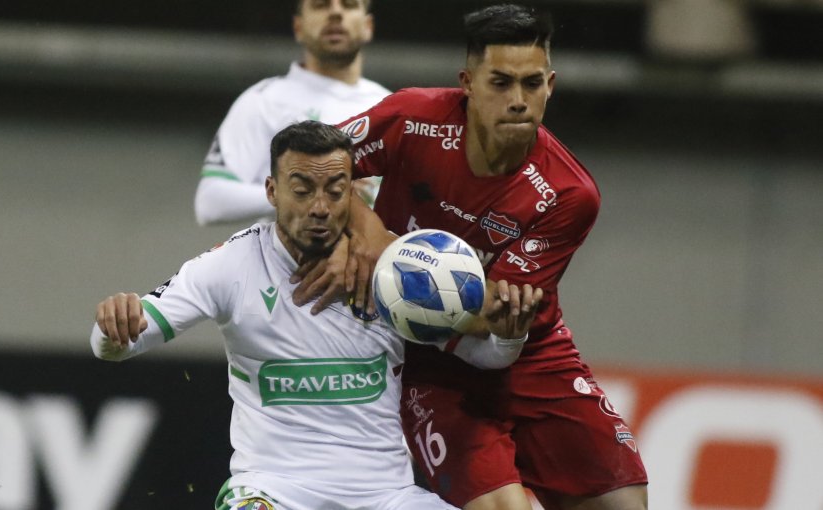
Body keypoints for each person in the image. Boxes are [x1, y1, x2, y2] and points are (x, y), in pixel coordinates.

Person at [293, 5, 650, 510]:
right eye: (500, 83)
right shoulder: (411, 118)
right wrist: (363, 228)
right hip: (427, 360)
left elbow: (483, 316)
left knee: (624, 504)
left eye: (532, 84)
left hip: (530, 356)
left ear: (551, 85)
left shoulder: (569, 194)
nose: (518, 101)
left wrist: (389, 254)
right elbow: (308, 162)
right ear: (468, 82)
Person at [91, 121, 544, 510]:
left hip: (384, 496)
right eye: (302, 190)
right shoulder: (231, 265)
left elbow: (485, 356)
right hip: (275, 492)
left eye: (335, 190)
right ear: (272, 191)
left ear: (354, 192)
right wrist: (114, 327)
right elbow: (116, 343)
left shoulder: (396, 272)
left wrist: (509, 336)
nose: (320, 207)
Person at [195, 0, 389, 225]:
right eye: (321, 5)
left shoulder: (390, 106)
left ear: (368, 26)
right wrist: (306, 191)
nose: (336, 12)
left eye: (348, 5)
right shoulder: (265, 100)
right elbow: (210, 202)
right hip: (287, 260)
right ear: (298, 28)